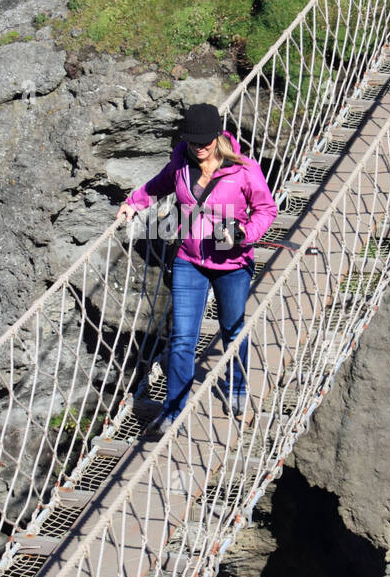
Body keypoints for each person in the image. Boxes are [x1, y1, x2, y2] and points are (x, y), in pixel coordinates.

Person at [116, 102, 277, 435]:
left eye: (205, 142)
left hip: (231, 262)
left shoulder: (244, 168)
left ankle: (237, 387)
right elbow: (157, 186)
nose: (199, 148)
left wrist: (247, 233)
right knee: (182, 339)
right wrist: (133, 203)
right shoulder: (180, 162)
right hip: (190, 260)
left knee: (232, 330)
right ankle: (173, 410)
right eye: (193, 142)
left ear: (217, 137)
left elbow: (266, 209)